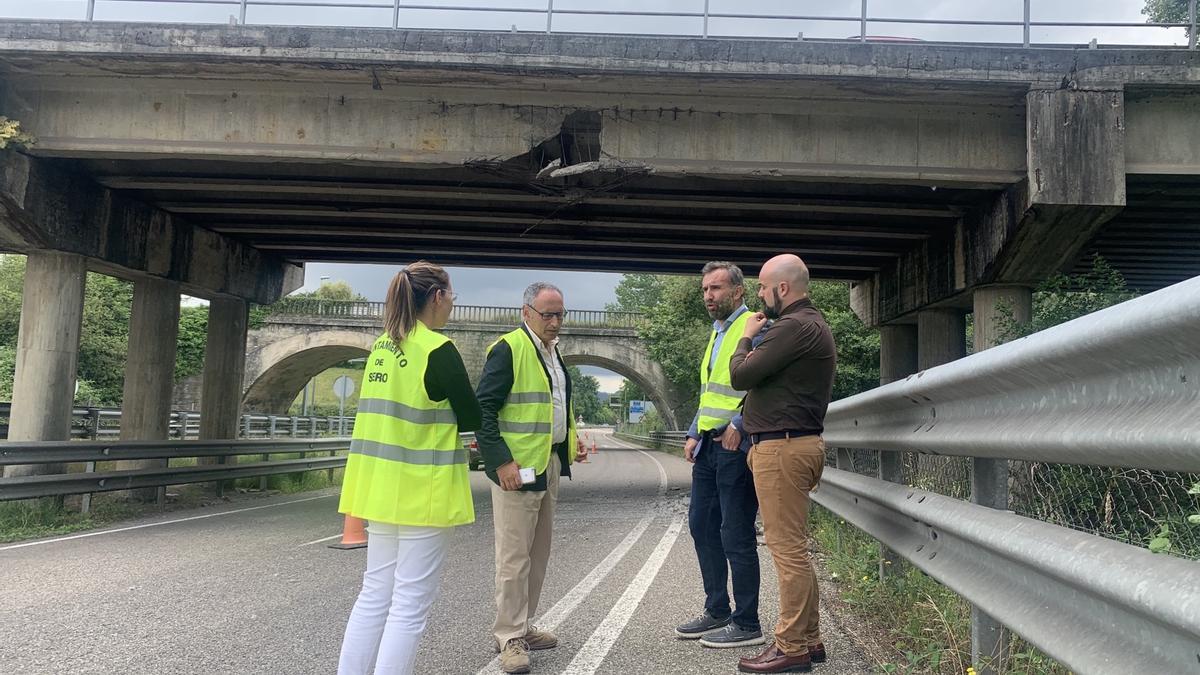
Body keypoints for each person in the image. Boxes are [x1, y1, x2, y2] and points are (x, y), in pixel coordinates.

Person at [336, 262, 481, 675]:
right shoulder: (438, 350)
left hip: (378, 489)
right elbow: (471, 416)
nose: (453, 303)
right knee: (410, 605)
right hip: (423, 490)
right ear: (437, 296)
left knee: (374, 594)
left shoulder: (382, 346)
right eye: (452, 294)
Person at [730, 254, 836, 674]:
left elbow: (741, 375)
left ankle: (790, 647)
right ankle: (809, 640)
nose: (759, 293)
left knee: (787, 551)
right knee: (796, 549)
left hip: (783, 449)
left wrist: (745, 336)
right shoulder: (811, 324)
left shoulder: (792, 327)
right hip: (794, 445)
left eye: (762, 286)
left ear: (783, 289)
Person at [476, 282, 587, 674]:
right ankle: (509, 636)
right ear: (526, 313)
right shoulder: (508, 349)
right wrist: (501, 461)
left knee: (537, 554)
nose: (556, 322)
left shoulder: (553, 353)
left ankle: (524, 625)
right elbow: (482, 412)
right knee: (513, 557)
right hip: (515, 471)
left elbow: (554, 406)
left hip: (547, 464)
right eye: (548, 315)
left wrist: (570, 442)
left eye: (560, 315)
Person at [675, 261, 767, 649]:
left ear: (738, 292)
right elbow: (711, 391)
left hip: (735, 447)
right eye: (705, 290)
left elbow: (765, 385)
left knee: (736, 533)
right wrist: (695, 432)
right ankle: (717, 610)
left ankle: (747, 623)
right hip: (710, 447)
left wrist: (740, 424)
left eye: (716, 289)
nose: (709, 296)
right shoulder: (716, 334)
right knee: (701, 525)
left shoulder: (756, 329)